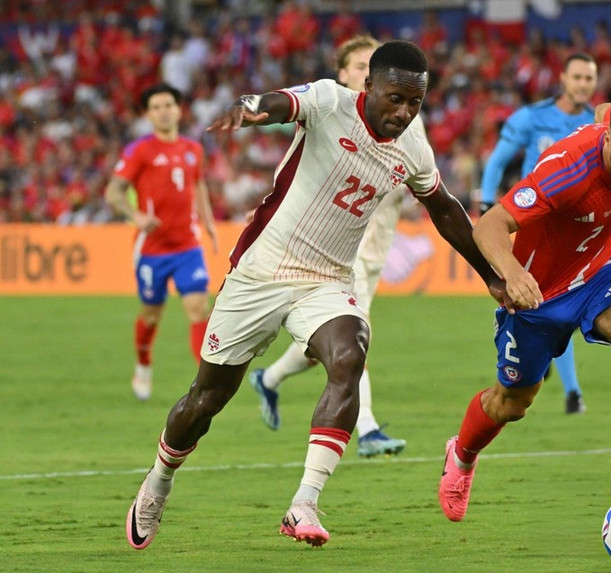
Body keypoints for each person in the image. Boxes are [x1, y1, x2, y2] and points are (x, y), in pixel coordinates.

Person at [125, 40, 509, 550]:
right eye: (395, 98)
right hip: (261, 271)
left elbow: (444, 209)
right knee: (207, 399)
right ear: (368, 86)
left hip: (326, 280)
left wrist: (490, 275)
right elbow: (280, 103)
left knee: (349, 354)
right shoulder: (330, 102)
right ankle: (158, 482)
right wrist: (248, 108)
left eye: (414, 103)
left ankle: (304, 502)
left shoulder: (413, 148)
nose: (404, 112)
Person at [438, 96, 611, 523]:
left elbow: (606, 108)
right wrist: (512, 274)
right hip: (538, 293)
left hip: (598, 270)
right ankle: (462, 455)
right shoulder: (568, 171)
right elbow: (489, 225)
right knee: (511, 404)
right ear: (610, 140)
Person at [247, 35, 413, 458]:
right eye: (359, 66)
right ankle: (368, 429)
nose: (367, 73)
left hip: (372, 253)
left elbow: (422, 180)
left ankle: (268, 379)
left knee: (326, 345)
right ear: (346, 75)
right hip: (329, 257)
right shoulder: (330, 112)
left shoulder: (405, 121)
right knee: (353, 338)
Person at [479, 52, 599, 415]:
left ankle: (552, 371)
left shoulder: (597, 126)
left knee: (559, 305)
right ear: (563, 79)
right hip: (537, 223)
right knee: (551, 304)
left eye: (589, 78)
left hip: (580, 230)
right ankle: (570, 390)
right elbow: (497, 161)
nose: (583, 84)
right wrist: (487, 207)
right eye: (577, 77)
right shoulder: (532, 117)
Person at [105, 83, 219, 401]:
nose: (163, 111)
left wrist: (208, 223)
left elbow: (199, 185)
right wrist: (136, 216)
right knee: (152, 315)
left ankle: (205, 387)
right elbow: (113, 191)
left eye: (168, 105)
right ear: (148, 115)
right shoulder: (139, 151)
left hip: (187, 246)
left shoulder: (193, 149)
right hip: (152, 249)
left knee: (198, 309)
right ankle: (143, 363)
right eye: (156, 107)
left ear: (179, 109)